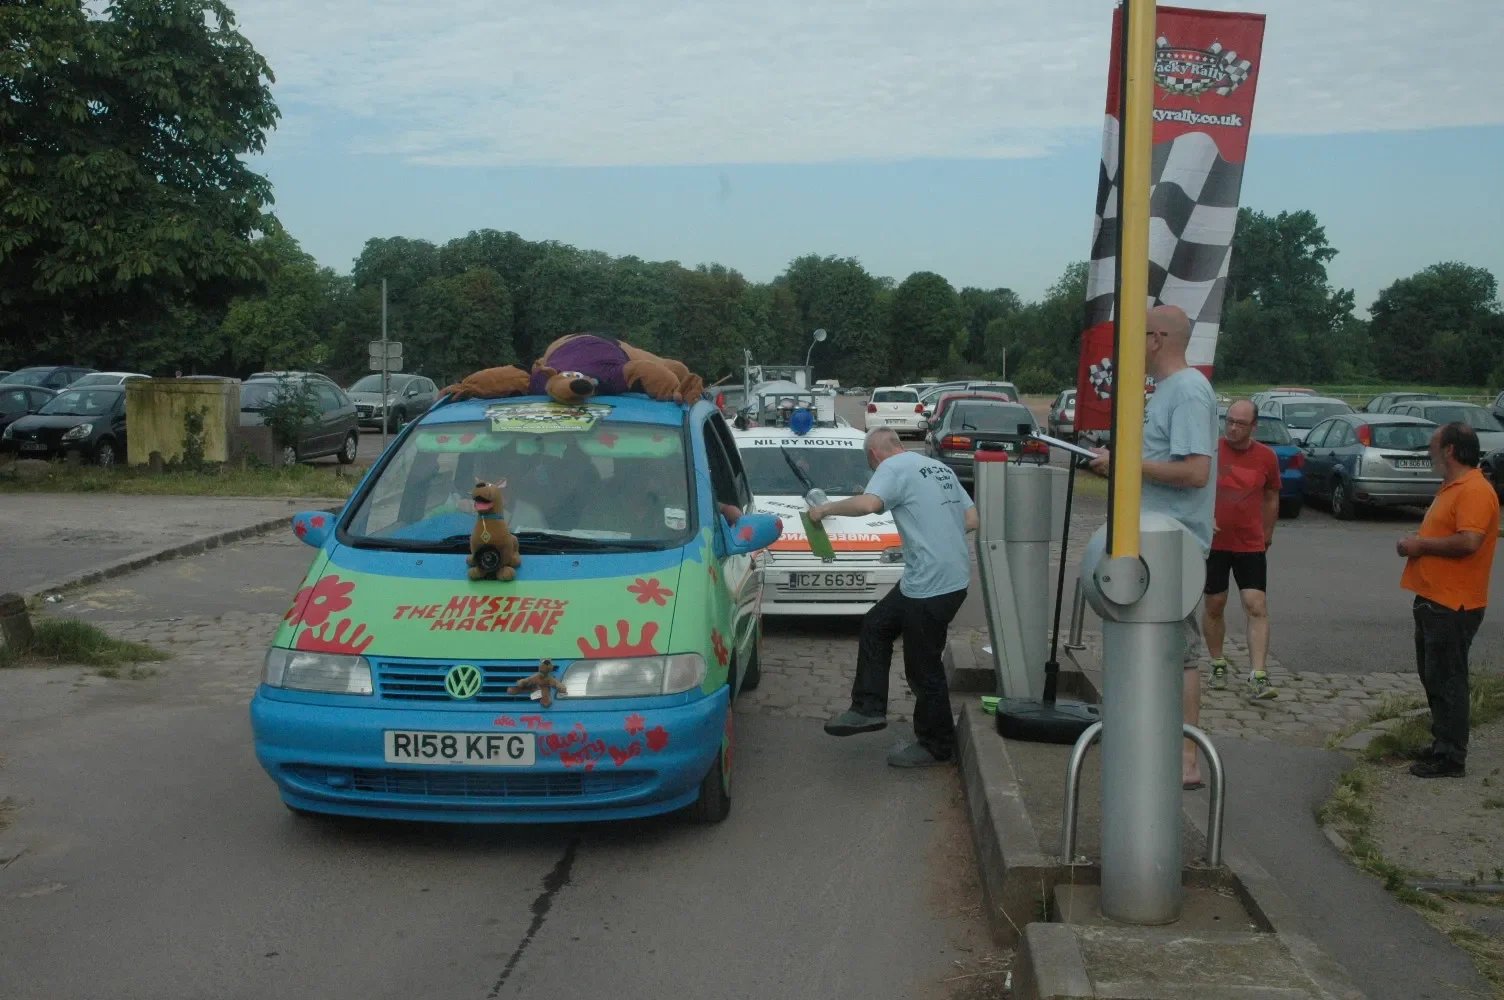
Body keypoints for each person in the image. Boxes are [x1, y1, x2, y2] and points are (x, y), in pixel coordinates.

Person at [1087, 304, 1216, 789]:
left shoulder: (1186, 391)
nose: (1129, 349)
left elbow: (1195, 471)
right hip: (1154, 536)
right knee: (1151, 645)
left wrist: (1126, 464)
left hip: (1173, 543)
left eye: (1136, 338)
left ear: (1157, 339)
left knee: (1179, 651)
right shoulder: (1166, 391)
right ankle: (1152, 741)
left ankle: (1186, 757)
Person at [813, 426, 979, 768]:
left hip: (931, 585)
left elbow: (871, 504)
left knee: (923, 667)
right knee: (877, 624)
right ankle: (868, 708)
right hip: (948, 578)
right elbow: (972, 518)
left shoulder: (892, 468)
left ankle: (936, 745)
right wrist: (936, 535)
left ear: (874, 455)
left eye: (870, 463)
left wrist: (825, 510)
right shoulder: (938, 467)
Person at [1397, 421, 1499, 779]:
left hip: (1454, 603)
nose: (1429, 451)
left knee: (1449, 679)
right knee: (1434, 675)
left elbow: (1469, 541)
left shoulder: (1474, 489)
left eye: (1433, 445)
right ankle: (1442, 743)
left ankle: (1452, 757)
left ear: (1450, 450)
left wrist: (1420, 545)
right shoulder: (1452, 486)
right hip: (1433, 596)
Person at [1203, 400, 1280, 699]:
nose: (1233, 427)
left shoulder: (1266, 457)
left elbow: (1272, 494)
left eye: (1241, 423)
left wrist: (1267, 532)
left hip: (1249, 542)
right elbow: (1194, 486)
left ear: (1253, 427)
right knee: (1215, 604)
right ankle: (1217, 662)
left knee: (1255, 604)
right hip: (1214, 543)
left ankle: (1258, 674)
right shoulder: (1211, 450)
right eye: (1230, 421)